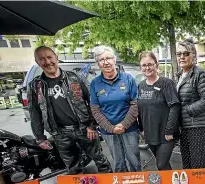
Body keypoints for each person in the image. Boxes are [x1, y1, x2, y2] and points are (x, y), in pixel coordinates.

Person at [28, 46, 111, 174]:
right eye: (42, 59)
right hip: (60, 133)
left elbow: (93, 101)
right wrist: (40, 137)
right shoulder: (35, 86)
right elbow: (34, 112)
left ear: (56, 57)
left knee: (100, 159)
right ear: (37, 62)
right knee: (73, 167)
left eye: (49, 57)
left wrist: (92, 125)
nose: (47, 61)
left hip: (84, 129)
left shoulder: (75, 78)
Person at [90, 46, 141, 172]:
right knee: (118, 163)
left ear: (114, 60)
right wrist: (111, 128)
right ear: (98, 64)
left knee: (134, 161)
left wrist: (124, 125)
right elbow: (95, 110)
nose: (106, 62)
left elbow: (135, 104)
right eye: (101, 59)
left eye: (108, 58)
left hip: (130, 129)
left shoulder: (128, 78)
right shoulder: (95, 83)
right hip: (108, 131)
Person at [137, 52, 180, 170]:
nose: (147, 68)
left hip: (166, 134)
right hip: (150, 133)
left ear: (156, 65)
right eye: (144, 65)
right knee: (163, 164)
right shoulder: (140, 86)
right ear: (140, 67)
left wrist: (169, 130)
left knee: (161, 164)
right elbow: (140, 109)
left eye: (150, 64)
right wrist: (141, 129)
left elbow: (175, 106)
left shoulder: (166, 83)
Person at [176, 38, 205, 169]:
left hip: (199, 127)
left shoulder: (200, 74)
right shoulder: (180, 75)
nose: (181, 57)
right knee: (188, 164)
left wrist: (186, 110)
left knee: (200, 166)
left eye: (185, 54)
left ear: (193, 56)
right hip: (185, 127)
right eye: (179, 54)